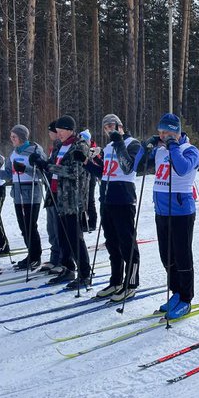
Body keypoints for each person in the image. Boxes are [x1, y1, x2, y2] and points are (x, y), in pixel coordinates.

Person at [82, 114, 144, 302]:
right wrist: (86, 163)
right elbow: (104, 172)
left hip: (123, 197)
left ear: (120, 126)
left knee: (127, 242)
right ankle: (116, 280)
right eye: (106, 128)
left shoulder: (133, 143)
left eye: (112, 126)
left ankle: (131, 283)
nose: (109, 130)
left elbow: (128, 167)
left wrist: (119, 143)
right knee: (112, 242)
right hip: (107, 197)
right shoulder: (108, 146)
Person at [146, 113, 199, 319]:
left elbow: (182, 168)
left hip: (181, 211)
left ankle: (186, 299)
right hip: (161, 210)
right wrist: (147, 146)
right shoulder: (160, 150)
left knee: (182, 256)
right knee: (166, 256)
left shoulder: (190, 150)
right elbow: (137, 165)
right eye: (160, 132)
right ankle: (176, 292)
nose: (162, 136)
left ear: (176, 132)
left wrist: (173, 145)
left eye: (167, 133)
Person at [30, 115, 91, 289]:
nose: (59, 133)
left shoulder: (80, 146)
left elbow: (75, 172)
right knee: (62, 236)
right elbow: (50, 165)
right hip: (57, 195)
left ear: (71, 130)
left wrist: (47, 166)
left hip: (72, 197)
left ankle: (85, 273)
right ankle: (67, 268)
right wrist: (40, 163)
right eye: (58, 131)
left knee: (74, 237)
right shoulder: (59, 146)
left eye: (62, 130)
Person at [0, 124, 46, 271]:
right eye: (11, 136)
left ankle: (35, 256)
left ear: (22, 137)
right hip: (18, 193)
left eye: (14, 137)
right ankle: (30, 254)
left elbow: (42, 173)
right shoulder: (13, 154)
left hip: (31, 193)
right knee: (23, 227)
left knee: (30, 226)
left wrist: (26, 168)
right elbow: (7, 174)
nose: (12, 139)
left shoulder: (35, 151)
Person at [39, 120, 64, 275]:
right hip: (51, 190)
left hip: (61, 192)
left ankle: (62, 259)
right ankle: (54, 257)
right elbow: (49, 168)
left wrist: (45, 165)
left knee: (58, 227)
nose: (50, 135)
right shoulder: (55, 147)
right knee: (51, 227)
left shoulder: (63, 147)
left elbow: (60, 169)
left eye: (51, 132)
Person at [79, 128, 99, 232]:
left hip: (91, 175)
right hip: (83, 176)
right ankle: (83, 222)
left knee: (90, 198)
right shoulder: (80, 146)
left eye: (83, 138)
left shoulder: (92, 147)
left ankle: (92, 222)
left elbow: (97, 158)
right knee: (82, 198)